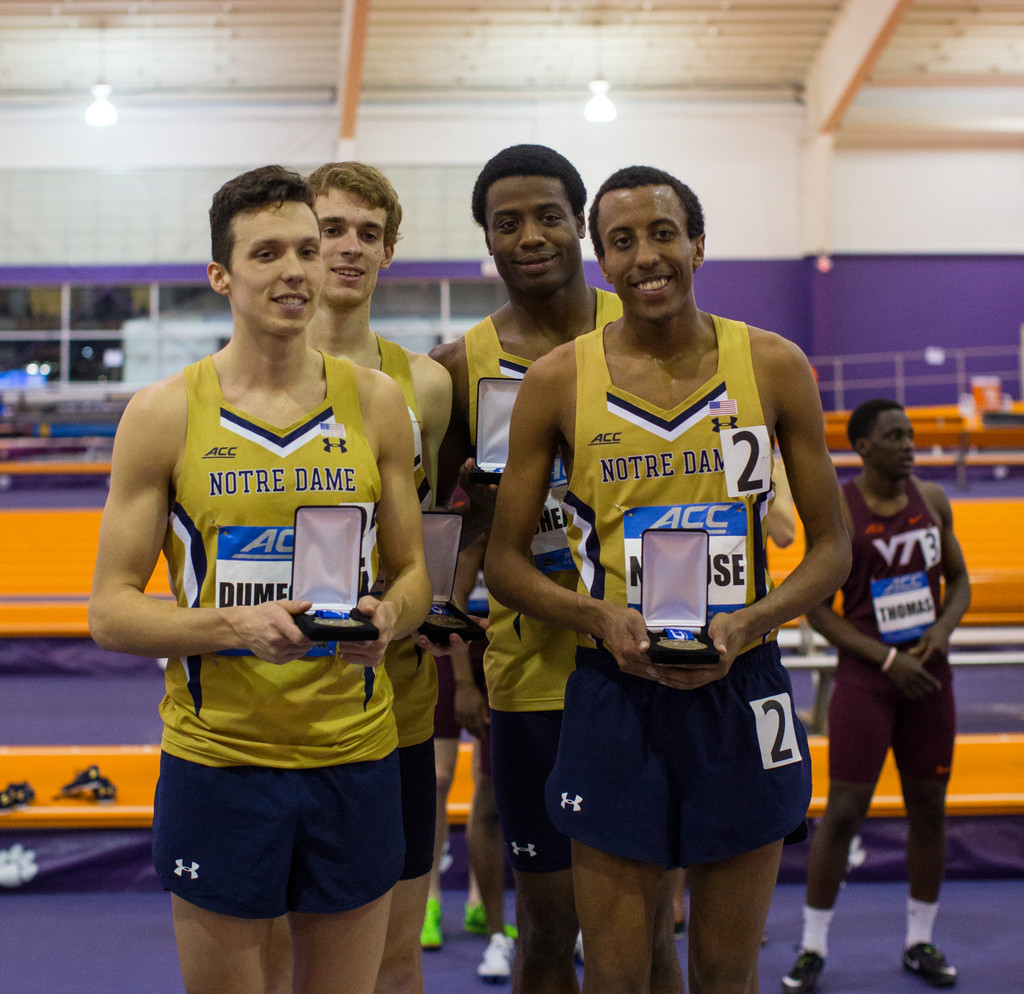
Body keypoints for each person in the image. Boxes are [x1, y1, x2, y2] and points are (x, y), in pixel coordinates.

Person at [484, 165, 851, 994]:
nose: (645, 256)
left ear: (697, 244)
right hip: (614, 686)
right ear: (600, 263)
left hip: (743, 681)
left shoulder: (774, 364)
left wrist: (752, 622)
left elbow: (833, 548)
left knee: (726, 975)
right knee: (617, 978)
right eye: (622, 242)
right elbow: (504, 563)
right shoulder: (557, 383)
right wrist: (595, 617)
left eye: (661, 234)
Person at [88, 165, 432, 994]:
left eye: (307, 251)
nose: (295, 271)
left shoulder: (379, 403)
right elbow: (110, 613)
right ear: (221, 275)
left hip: (354, 754)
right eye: (268, 252)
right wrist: (232, 627)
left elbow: (415, 571)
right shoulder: (165, 413)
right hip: (222, 763)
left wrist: (390, 617)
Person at [431, 144, 683, 994]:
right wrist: (461, 530)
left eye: (547, 216)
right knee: (545, 931)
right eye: (507, 224)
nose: (530, 236)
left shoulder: (650, 325)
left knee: (648, 930)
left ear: (580, 224)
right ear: (489, 243)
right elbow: (437, 535)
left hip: (654, 664)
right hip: (534, 677)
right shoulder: (459, 367)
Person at [302, 160, 452, 994]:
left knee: (393, 960)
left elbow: (432, 531)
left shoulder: (425, 386)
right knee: (294, 954)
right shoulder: (239, 385)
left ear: (389, 251)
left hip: (393, 697)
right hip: (276, 696)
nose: (348, 248)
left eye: (368, 233)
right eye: (331, 229)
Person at [782, 398, 970, 994]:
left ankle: (920, 939)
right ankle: (812, 947)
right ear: (863, 447)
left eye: (911, 435)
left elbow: (959, 581)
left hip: (929, 677)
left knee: (929, 810)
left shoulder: (933, 501)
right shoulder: (839, 507)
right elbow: (815, 607)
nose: (910, 445)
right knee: (842, 814)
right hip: (868, 680)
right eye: (895, 436)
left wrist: (938, 633)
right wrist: (886, 659)